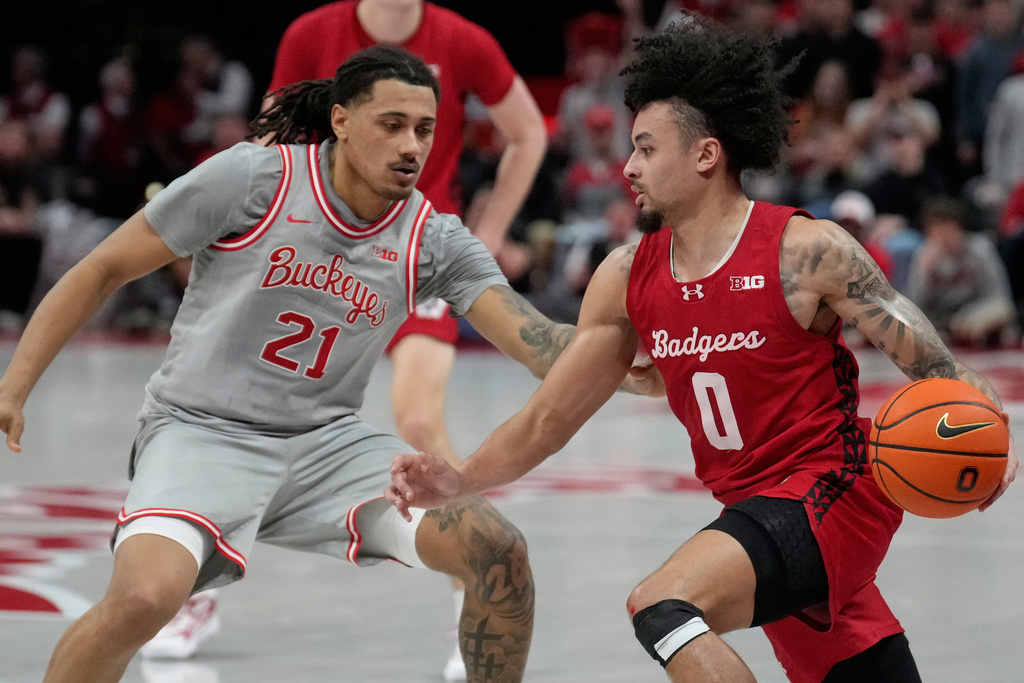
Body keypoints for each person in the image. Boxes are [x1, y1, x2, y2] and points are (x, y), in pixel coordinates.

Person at [388, 17, 1019, 683]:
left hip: (835, 489)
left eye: (647, 148)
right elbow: (548, 419)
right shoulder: (627, 276)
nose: (628, 166)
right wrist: (460, 479)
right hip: (754, 509)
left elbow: (934, 364)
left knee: (663, 604)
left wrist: (989, 435)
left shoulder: (806, 251)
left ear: (706, 155)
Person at [0, 46, 639, 683]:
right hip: (201, 432)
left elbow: (540, 342)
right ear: (340, 121)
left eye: (423, 129)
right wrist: (16, 383)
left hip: (326, 446)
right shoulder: (255, 179)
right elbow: (103, 266)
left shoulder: (432, 238)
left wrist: (643, 358)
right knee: (141, 600)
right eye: (391, 124)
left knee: (498, 554)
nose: (411, 145)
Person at [233, 7, 547, 678]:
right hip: (319, 250)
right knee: (247, 421)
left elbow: (526, 133)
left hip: (413, 257)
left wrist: (489, 231)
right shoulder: (311, 34)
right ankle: (193, 576)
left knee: (416, 417)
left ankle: (473, 583)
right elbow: (269, 137)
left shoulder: (464, 39)